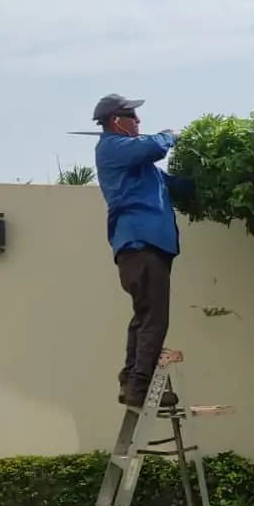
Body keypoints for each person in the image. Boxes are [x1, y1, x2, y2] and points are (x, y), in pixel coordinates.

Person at [92, 93, 194, 408]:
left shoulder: (143, 169)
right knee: (154, 319)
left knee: (144, 316)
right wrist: (171, 134)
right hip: (141, 244)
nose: (138, 122)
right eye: (132, 117)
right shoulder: (112, 147)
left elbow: (174, 185)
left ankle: (132, 381)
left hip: (150, 246)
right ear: (115, 121)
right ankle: (140, 387)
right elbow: (153, 146)